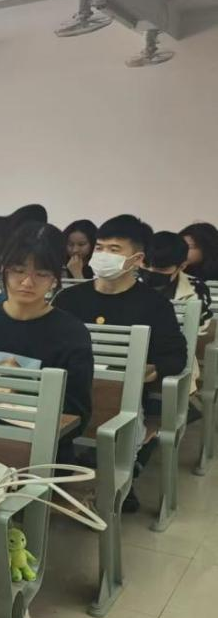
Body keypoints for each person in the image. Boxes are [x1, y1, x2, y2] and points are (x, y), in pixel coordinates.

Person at [54, 215, 187, 510]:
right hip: (67, 393)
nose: (103, 255)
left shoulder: (154, 304)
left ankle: (113, 482)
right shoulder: (69, 298)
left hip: (121, 398)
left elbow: (175, 356)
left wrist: (150, 371)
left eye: (114, 250)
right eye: (100, 247)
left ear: (136, 259)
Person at [0, 221, 94, 457]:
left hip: (37, 448)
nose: (27, 282)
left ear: (55, 279)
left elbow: (76, 412)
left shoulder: (71, 333)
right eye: (19, 270)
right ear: (4, 270)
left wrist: (19, 396)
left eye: (41, 274)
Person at [142, 231, 213, 393]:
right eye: (147, 265)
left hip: (170, 353)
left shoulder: (196, 288)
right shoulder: (131, 280)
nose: (152, 271)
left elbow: (198, 328)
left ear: (181, 266)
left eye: (162, 268)